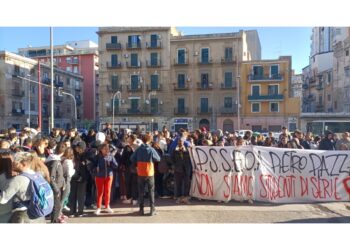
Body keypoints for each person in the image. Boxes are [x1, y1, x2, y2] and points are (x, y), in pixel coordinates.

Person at [0, 152, 46, 223]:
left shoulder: (19, 179)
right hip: (39, 213)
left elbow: (3, 199)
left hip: (24, 216)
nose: (12, 163)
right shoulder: (38, 175)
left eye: (15, 162)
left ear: (23, 164)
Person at [130, 133, 161, 216]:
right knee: (151, 191)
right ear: (149, 140)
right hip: (150, 172)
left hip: (140, 172)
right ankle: (152, 209)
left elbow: (132, 158)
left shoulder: (139, 149)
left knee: (141, 191)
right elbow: (158, 158)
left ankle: (141, 209)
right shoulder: (151, 149)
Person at [93, 143, 118, 215]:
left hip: (109, 176)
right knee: (100, 192)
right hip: (99, 176)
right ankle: (98, 207)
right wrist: (95, 169)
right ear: (101, 150)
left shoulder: (111, 156)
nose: (106, 150)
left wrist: (111, 163)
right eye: (105, 149)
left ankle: (107, 206)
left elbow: (116, 166)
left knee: (108, 191)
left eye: (107, 149)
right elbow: (91, 166)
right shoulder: (97, 157)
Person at [45, 142, 66, 223]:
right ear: (63, 152)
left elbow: (60, 175)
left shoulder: (55, 159)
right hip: (55, 187)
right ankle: (54, 221)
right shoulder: (54, 162)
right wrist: (56, 189)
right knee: (56, 206)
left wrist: (63, 182)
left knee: (57, 205)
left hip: (58, 185)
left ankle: (56, 219)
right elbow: (52, 177)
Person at [69, 141, 90, 217]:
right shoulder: (74, 155)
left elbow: (87, 168)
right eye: (77, 148)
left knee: (80, 195)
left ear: (83, 148)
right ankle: (72, 211)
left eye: (79, 148)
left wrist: (85, 163)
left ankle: (80, 211)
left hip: (83, 178)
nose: (77, 149)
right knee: (73, 195)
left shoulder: (86, 156)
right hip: (74, 176)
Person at [172, 138, 192, 204]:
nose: (180, 143)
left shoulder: (187, 150)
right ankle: (179, 198)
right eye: (179, 142)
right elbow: (172, 159)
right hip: (178, 170)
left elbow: (190, 159)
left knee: (187, 184)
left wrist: (184, 151)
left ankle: (186, 198)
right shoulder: (174, 150)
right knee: (178, 185)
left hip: (186, 169)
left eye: (181, 142)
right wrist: (174, 167)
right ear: (177, 143)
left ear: (183, 142)